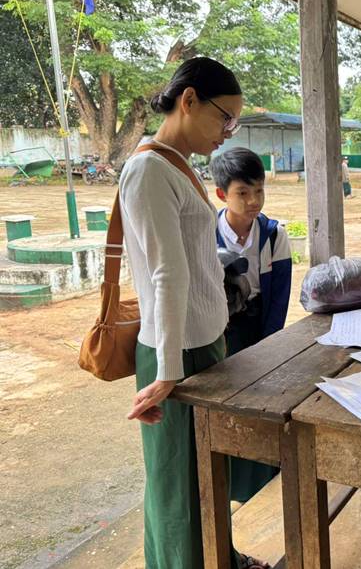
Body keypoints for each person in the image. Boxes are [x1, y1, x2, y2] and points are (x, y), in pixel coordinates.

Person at [120, 57, 268, 569]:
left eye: (234, 122)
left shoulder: (176, 165)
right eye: (225, 118)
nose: (228, 131)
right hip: (175, 353)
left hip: (201, 346)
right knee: (177, 485)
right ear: (188, 101)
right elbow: (166, 274)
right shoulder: (148, 170)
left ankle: (218, 557)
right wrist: (166, 373)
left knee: (208, 474)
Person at [211, 147, 292, 505]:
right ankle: (232, 486)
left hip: (261, 326)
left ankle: (264, 481)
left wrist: (269, 346)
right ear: (222, 194)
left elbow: (280, 297)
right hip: (221, 331)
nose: (253, 201)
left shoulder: (273, 235)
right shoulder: (206, 234)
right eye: (242, 193)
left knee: (262, 403)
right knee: (225, 404)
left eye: (259, 190)